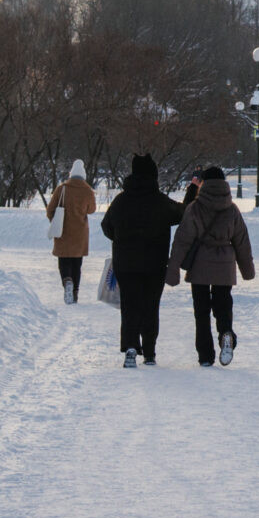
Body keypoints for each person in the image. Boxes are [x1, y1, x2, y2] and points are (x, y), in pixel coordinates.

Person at [166, 165, 255, 368]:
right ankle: (226, 332)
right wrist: (247, 270)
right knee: (223, 304)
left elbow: (182, 241)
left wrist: (173, 270)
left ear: (203, 184)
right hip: (225, 265)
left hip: (200, 265)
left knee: (202, 311)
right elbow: (242, 240)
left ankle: (205, 355)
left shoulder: (195, 208)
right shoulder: (232, 209)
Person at [98, 153, 182, 367]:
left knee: (129, 306)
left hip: (125, 264)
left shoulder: (121, 201)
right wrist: (192, 191)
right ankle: (150, 353)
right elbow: (183, 213)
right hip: (155, 264)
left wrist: (121, 240)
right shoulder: (160, 201)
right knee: (150, 306)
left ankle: (131, 347)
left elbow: (106, 226)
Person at [44, 159, 97, 303]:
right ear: (84, 175)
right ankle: (75, 293)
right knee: (76, 264)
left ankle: (67, 281)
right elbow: (92, 210)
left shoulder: (62, 188)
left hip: (63, 231)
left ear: (71, 174)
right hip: (80, 233)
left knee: (64, 261)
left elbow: (50, 209)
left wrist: (54, 221)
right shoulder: (88, 191)